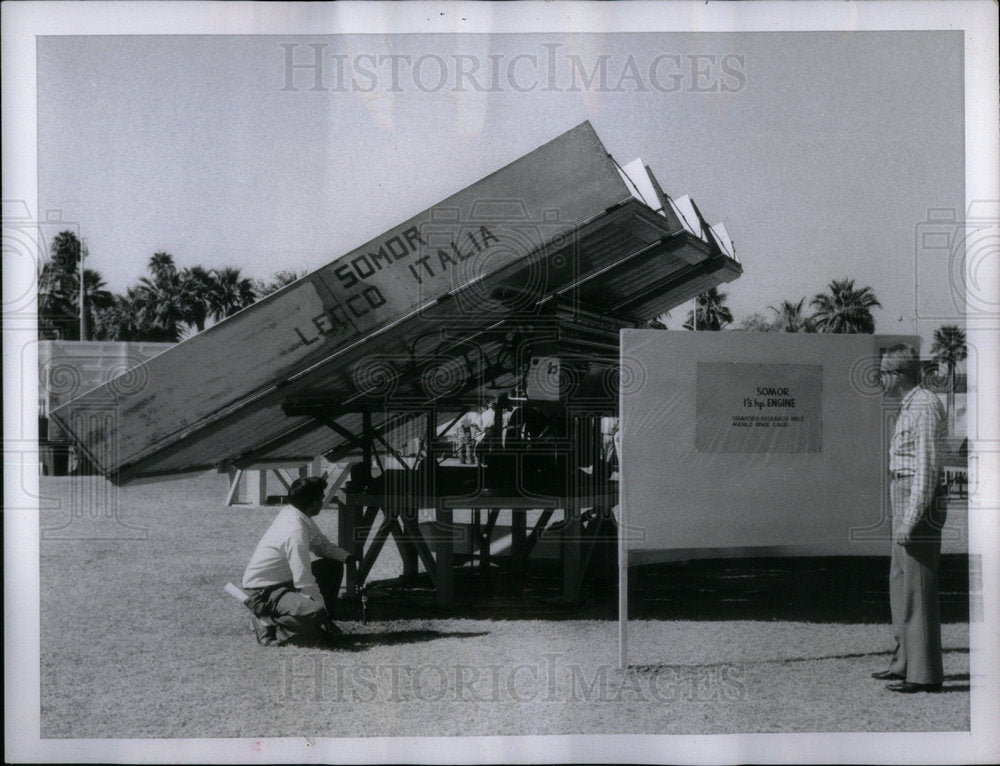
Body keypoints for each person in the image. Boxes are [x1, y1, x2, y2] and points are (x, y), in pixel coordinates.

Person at [872, 344, 947, 692]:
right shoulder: (908, 406)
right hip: (902, 494)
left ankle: (924, 673)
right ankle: (904, 662)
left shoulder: (925, 406)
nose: (880, 378)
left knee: (918, 586)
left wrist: (911, 518)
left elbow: (927, 468)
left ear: (898, 374)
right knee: (901, 583)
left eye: (884, 372)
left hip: (918, 499)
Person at [241, 476, 354, 646]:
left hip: (282, 582)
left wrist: (347, 557)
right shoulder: (295, 531)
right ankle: (268, 623)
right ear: (313, 503)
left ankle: (314, 622)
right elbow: (304, 580)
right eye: (322, 498)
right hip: (263, 592)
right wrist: (324, 616)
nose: (323, 501)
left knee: (333, 565)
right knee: (316, 612)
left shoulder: (296, 513)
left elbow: (321, 545)